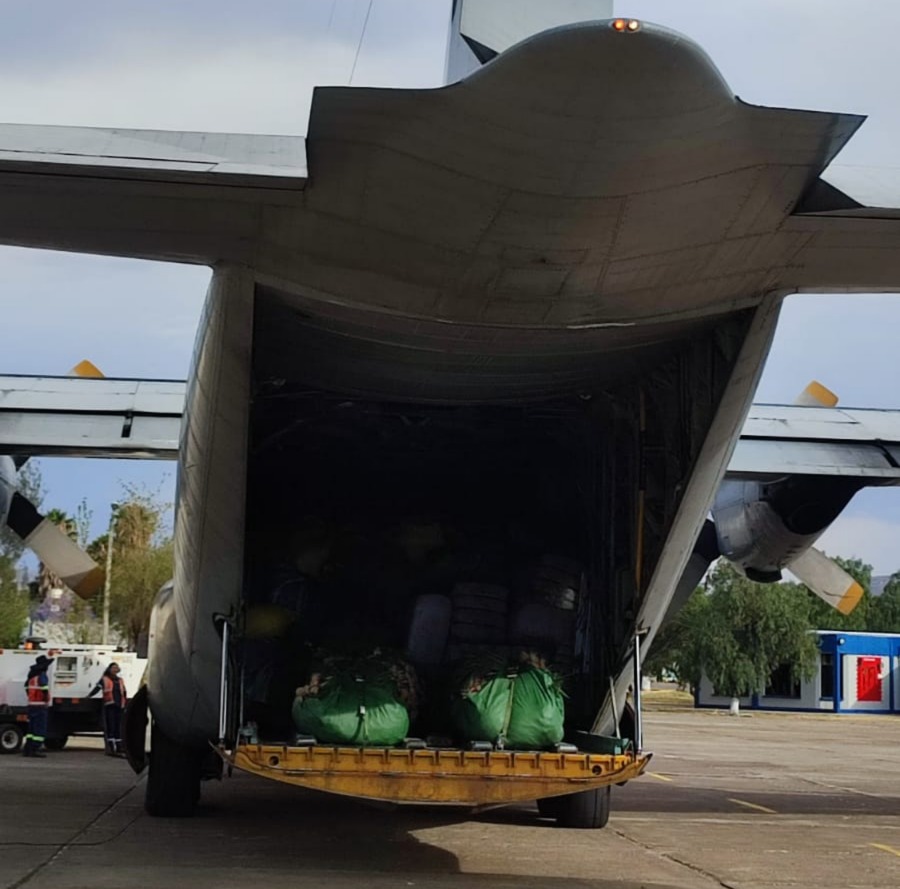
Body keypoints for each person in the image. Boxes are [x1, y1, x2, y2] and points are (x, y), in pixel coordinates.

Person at [88, 663, 127, 756]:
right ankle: (111, 747)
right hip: (110, 706)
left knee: (118, 727)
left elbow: (124, 692)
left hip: (119, 706)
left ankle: (119, 746)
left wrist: (125, 704)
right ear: (109, 669)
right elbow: (97, 688)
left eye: (116, 668)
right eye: (113, 668)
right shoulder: (105, 679)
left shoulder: (120, 680)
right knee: (111, 727)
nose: (115, 669)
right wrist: (89, 696)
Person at [22, 654, 53, 758]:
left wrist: (31, 696)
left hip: (31, 705)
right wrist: (45, 698)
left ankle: (28, 748)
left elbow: (26, 687)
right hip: (40, 706)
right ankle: (36, 748)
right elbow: (44, 687)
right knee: (39, 728)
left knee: (31, 729)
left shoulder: (31, 676)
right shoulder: (42, 675)